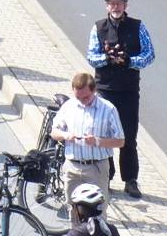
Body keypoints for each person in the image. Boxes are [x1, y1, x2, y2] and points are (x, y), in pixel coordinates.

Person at [87, 0, 155, 198]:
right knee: (104, 134)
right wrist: (107, 58)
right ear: (106, 6)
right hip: (105, 89)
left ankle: (131, 179)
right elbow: (91, 56)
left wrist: (129, 61)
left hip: (128, 90)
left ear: (125, 4)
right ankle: (106, 176)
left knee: (128, 136)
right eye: (111, 3)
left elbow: (149, 55)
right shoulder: (98, 28)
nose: (115, 6)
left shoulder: (138, 27)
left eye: (118, 3)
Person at [51, 69, 124, 205]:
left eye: (86, 98)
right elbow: (54, 132)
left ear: (94, 91)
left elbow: (120, 141)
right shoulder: (69, 106)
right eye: (78, 97)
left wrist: (97, 141)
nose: (83, 102)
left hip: (96, 168)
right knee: (73, 211)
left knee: (97, 212)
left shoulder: (108, 109)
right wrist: (66, 135)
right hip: (72, 167)